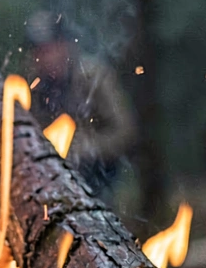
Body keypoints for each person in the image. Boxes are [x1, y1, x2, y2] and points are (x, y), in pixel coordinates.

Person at [26, 11, 138, 207]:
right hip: (51, 174)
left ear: (66, 46)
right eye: (41, 51)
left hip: (97, 171)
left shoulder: (94, 77)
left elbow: (124, 131)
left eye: (52, 48)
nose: (47, 57)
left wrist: (84, 149)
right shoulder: (32, 87)